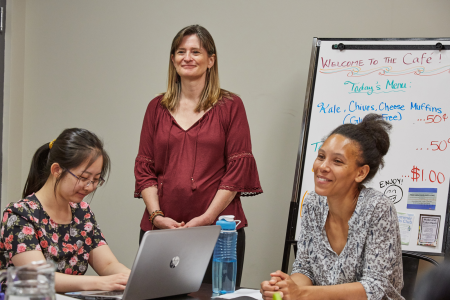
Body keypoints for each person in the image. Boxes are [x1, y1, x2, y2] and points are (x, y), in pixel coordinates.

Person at [134, 24, 262, 286]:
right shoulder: (156, 108)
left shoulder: (231, 106)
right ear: (173, 59)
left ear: (211, 60)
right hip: (161, 230)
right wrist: (156, 216)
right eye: (181, 51)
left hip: (219, 232)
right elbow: (144, 168)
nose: (187, 57)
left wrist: (207, 218)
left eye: (196, 52)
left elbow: (237, 169)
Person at [261, 114, 404, 300]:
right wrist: (285, 288)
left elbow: (375, 287)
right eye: (321, 156)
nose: (323, 166)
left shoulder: (378, 208)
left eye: (337, 161)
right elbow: (305, 269)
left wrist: (302, 293)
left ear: (361, 172)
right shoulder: (313, 203)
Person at [0, 128, 130, 293]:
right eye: (83, 178)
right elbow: (38, 278)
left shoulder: (83, 213)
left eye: (96, 179)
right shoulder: (19, 214)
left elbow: (108, 264)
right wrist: (102, 283)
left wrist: (132, 278)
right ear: (56, 170)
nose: (90, 186)